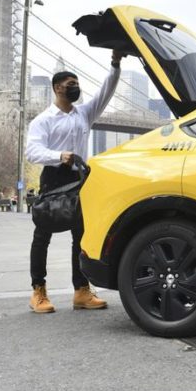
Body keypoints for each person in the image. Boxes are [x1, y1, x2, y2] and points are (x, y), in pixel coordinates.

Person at [24, 50, 124, 313]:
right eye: (71, 85)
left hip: (80, 179)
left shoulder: (84, 114)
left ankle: (81, 290)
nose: (76, 89)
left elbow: (106, 91)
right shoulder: (42, 120)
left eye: (77, 85)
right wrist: (59, 156)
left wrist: (115, 64)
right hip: (54, 177)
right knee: (42, 234)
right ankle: (38, 291)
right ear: (57, 88)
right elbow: (32, 152)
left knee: (80, 235)